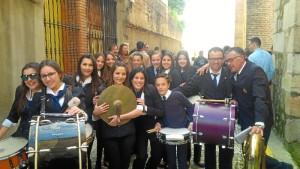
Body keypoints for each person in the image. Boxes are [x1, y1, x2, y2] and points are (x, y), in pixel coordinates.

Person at [225, 47, 293, 169]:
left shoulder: (256, 72)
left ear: (241, 58)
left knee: (258, 155)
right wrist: (234, 100)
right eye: (227, 61)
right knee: (248, 153)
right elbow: (236, 90)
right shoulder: (233, 72)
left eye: (231, 60)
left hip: (259, 120)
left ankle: (284, 167)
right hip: (246, 120)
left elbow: (260, 98)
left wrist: (259, 123)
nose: (229, 64)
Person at [174, 47, 233, 169]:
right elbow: (187, 88)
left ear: (223, 59)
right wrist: (169, 94)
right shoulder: (201, 74)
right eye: (212, 59)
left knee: (226, 151)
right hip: (207, 118)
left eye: (218, 59)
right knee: (209, 149)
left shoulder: (230, 73)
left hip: (226, 120)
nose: (215, 62)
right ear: (208, 59)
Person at [93, 62, 142, 169]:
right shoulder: (102, 90)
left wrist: (120, 117)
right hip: (109, 133)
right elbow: (97, 116)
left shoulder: (131, 89)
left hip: (128, 132)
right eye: (117, 73)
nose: (120, 77)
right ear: (112, 73)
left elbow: (139, 110)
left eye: (123, 74)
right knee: (114, 164)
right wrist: (96, 112)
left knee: (125, 163)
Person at [154, 74, 194, 169]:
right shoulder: (158, 99)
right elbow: (161, 115)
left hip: (183, 130)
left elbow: (190, 107)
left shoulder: (177, 95)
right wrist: (158, 123)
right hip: (168, 132)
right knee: (170, 159)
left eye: (163, 84)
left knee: (182, 159)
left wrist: (191, 122)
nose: (160, 87)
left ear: (168, 85)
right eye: (158, 85)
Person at [129, 67, 164, 169]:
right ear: (131, 79)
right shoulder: (127, 91)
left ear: (145, 80)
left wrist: (146, 108)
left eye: (142, 78)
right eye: (136, 78)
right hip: (137, 128)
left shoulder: (152, 90)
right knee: (141, 156)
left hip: (151, 125)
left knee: (157, 155)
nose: (139, 81)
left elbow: (160, 111)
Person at [72, 54, 102, 169]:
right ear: (79, 65)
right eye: (84, 64)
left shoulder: (98, 84)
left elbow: (96, 109)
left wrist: (96, 104)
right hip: (71, 125)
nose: (87, 67)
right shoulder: (70, 81)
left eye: (90, 65)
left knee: (85, 155)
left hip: (88, 124)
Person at [0, 62, 43, 140]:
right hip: (21, 137)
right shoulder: (21, 90)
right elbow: (12, 116)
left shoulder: (47, 93)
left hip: (39, 140)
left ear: (40, 76)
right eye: (25, 77)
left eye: (33, 76)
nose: (29, 80)